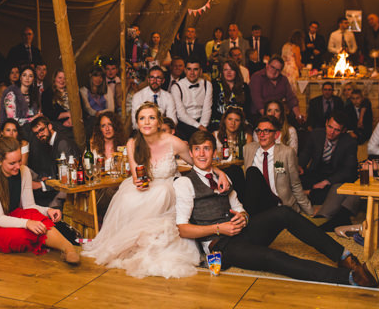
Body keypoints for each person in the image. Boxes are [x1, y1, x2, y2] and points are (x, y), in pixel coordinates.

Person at [174, 131, 377, 287]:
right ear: (190, 153)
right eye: (197, 149)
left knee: (284, 213)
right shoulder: (185, 183)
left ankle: (344, 256)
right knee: (271, 257)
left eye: (207, 148)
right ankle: (350, 278)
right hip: (220, 245)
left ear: (214, 152)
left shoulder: (222, 178)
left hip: (241, 231)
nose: (202, 154)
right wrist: (220, 228)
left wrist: (243, 218)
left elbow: (240, 208)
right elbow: (182, 228)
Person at [82, 103, 229, 278]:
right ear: (137, 123)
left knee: (162, 192)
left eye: (151, 118)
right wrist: (139, 182)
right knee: (128, 197)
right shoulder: (132, 143)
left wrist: (219, 172)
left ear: (159, 122)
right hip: (145, 187)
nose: (147, 122)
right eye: (142, 118)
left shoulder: (172, 141)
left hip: (168, 189)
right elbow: (137, 176)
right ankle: (132, 245)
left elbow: (198, 162)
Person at [0, 136, 80, 264]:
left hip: (8, 214)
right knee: (21, 235)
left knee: (35, 216)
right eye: (12, 163)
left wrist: (48, 210)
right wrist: (27, 223)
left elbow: (29, 206)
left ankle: (68, 248)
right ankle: (52, 242)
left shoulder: (24, 171)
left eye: (19, 161)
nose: (17, 166)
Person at [243, 117, 312, 216]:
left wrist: (309, 210)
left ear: (276, 135)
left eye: (266, 131)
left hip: (278, 203)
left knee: (252, 172)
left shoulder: (286, 153)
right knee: (248, 172)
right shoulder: (248, 149)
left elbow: (295, 185)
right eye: (259, 131)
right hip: (256, 203)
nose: (261, 135)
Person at [299, 112, 358, 218]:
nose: (331, 132)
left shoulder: (350, 142)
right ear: (326, 123)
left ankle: (308, 193)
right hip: (316, 172)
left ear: (343, 130)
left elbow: (347, 171)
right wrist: (299, 166)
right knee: (293, 179)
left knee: (338, 191)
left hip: (334, 177)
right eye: (330, 127)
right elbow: (306, 153)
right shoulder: (316, 134)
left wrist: (326, 182)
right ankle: (308, 192)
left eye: (337, 130)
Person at [28, 117, 80, 208]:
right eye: (36, 133)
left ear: (50, 126)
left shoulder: (62, 143)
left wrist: (42, 185)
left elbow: (68, 177)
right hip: (57, 184)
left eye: (42, 130)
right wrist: (48, 178)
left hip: (70, 190)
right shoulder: (51, 142)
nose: (40, 134)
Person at [249, 55, 303, 124]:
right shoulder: (257, 77)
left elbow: (291, 98)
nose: (274, 71)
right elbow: (258, 102)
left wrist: (298, 116)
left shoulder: (283, 79)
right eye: (272, 67)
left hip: (277, 115)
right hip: (259, 115)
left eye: (278, 70)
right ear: (267, 65)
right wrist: (270, 121)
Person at [171, 59, 213, 141]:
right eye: (189, 69)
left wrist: (203, 126)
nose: (192, 73)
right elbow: (181, 114)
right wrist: (198, 126)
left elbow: (207, 109)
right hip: (185, 124)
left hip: (203, 122)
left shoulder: (207, 84)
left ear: (200, 71)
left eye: (195, 69)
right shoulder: (176, 87)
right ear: (185, 70)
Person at [210, 59, 251, 127]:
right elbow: (213, 108)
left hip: (239, 122)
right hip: (220, 121)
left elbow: (247, 109)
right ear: (222, 72)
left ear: (236, 72)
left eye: (232, 69)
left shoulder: (244, 87)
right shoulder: (215, 85)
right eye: (225, 70)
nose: (228, 72)